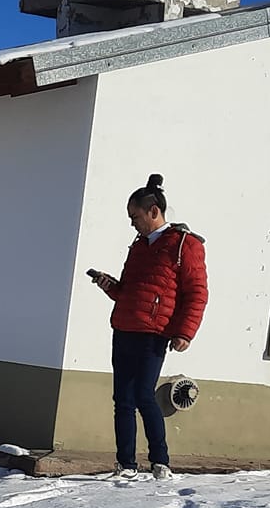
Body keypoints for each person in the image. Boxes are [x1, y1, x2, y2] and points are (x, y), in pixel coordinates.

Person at [88, 174, 208, 480]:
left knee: (144, 395)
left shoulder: (184, 245)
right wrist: (109, 286)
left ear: (153, 212)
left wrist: (185, 332)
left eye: (135, 217)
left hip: (154, 333)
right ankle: (125, 464)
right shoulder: (139, 246)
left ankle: (160, 461)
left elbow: (197, 292)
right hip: (124, 327)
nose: (132, 224)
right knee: (122, 401)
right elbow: (129, 291)